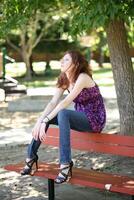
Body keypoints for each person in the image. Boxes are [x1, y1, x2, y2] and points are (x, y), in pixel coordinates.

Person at [21, 50, 106, 184]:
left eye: (66, 60)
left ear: (76, 64)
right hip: (80, 117)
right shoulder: (65, 78)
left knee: (62, 113)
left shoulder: (83, 77)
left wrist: (46, 120)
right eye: (62, 59)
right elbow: (53, 102)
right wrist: (40, 121)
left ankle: (65, 164)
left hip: (94, 120)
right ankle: (31, 157)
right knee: (50, 116)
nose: (62, 62)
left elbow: (65, 102)